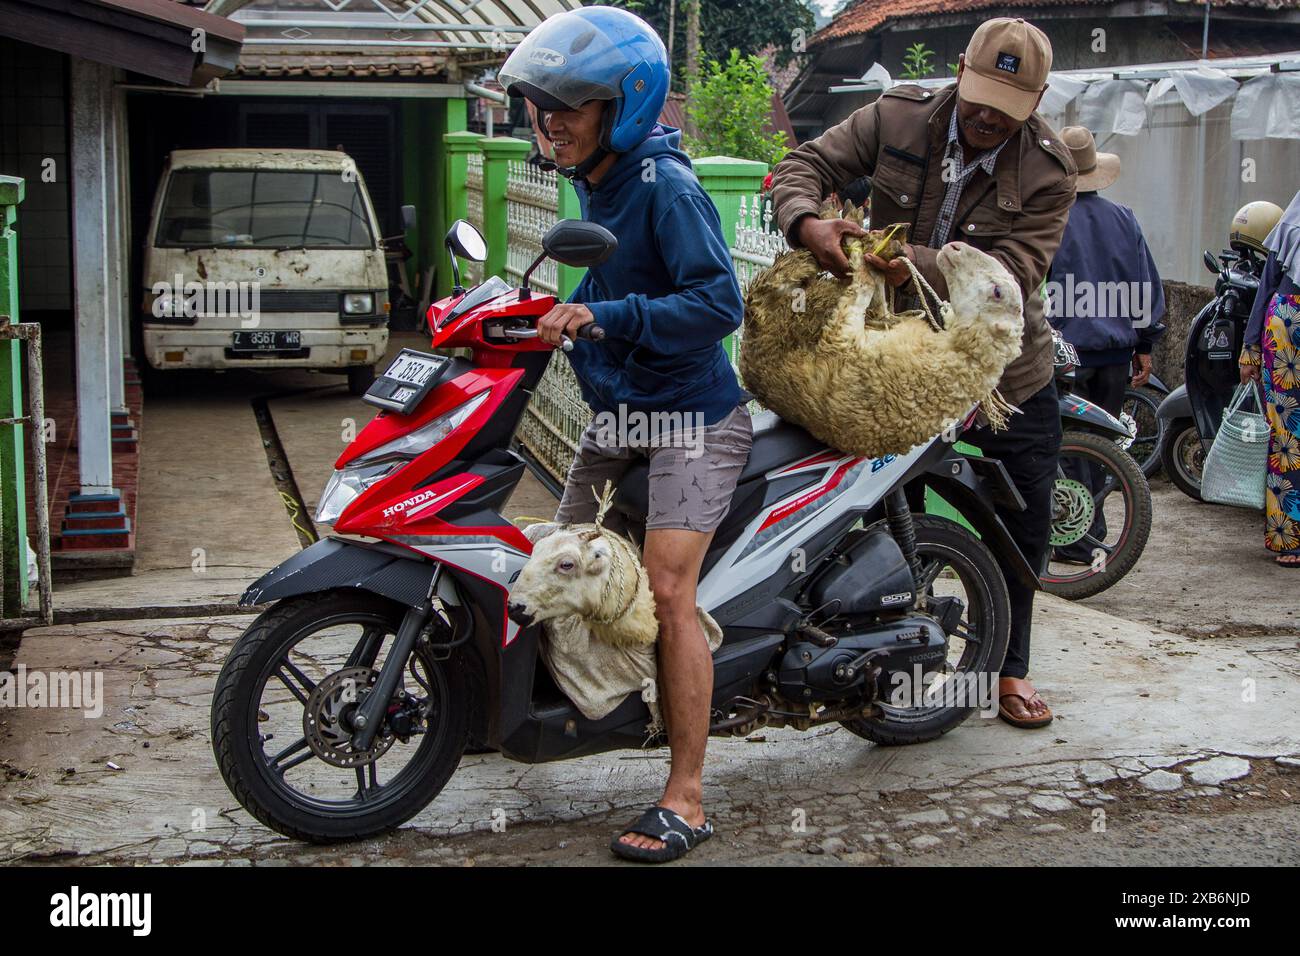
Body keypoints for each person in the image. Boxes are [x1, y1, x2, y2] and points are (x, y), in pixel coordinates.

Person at [770, 17, 1076, 728]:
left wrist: (908, 259)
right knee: (869, 505)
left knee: (1022, 525)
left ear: (1036, 103)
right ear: (959, 73)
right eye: (977, 99)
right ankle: (868, 650)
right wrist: (808, 224)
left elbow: (1014, 276)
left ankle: (1011, 669)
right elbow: (801, 168)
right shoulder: (898, 115)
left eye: (1007, 110)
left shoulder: (1050, 173)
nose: (986, 117)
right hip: (892, 356)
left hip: (1004, 374)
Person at [499, 6, 753, 862]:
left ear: (628, 102)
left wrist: (607, 317)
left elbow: (721, 303)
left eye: (569, 105)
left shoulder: (664, 186)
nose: (550, 122)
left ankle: (687, 796)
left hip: (692, 420)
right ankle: (589, 707)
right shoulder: (594, 178)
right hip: (621, 418)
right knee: (555, 570)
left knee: (669, 594)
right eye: (541, 106)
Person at [1046, 125, 1166, 563]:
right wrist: (1146, 344)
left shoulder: (1050, 220)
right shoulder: (1125, 219)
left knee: (1070, 446)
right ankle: (1091, 528)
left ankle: (1077, 534)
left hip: (1067, 356)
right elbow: (1145, 284)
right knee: (1103, 446)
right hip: (1115, 355)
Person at [1239, 192, 1300, 567]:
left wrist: (1250, 347)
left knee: (1286, 437)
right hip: (1287, 327)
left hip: (1284, 322)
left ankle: (1288, 539)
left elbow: (1268, 281)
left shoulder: (1293, 217)